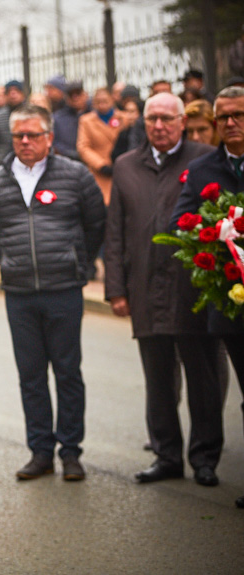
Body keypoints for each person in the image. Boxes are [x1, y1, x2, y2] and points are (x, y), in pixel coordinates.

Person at [0, 104, 106, 481]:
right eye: (19, 136)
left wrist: (76, 262)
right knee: (30, 375)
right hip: (19, 293)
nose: (26, 142)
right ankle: (40, 452)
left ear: (50, 137)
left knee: (67, 373)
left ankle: (72, 452)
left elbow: (95, 224)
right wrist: (12, 262)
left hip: (64, 289)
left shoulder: (76, 176)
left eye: (34, 135)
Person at [104, 92, 224, 487]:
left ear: (182, 122)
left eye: (167, 119)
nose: (158, 126)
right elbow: (116, 231)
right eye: (152, 118)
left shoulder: (206, 158)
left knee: (203, 378)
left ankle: (205, 457)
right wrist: (116, 289)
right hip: (144, 286)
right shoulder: (125, 165)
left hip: (194, 286)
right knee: (157, 379)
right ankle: (166, 455)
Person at [169, 85, 244, 508]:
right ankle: (211, 459)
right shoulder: (203, 168)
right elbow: (181, 220)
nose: (230, 123)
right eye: (223, 117)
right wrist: (216, 231)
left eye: (238, 115)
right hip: (229, 295)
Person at [77, 87, 123, 204]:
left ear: (112, 100)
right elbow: (83, 147)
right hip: (99, 171)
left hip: (121, 167)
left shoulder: (124, 118)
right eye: (98, 102)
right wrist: (101, 165)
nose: (102, 105)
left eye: (105, 101)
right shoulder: (86, 120)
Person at [0, 80, 26, 169]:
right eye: (9, 92)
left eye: (16, 91)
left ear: (23, 94)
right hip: (3, 164)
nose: (13, 95)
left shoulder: (30, 115)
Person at [52, 81, 90, 161]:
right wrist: (72, 154)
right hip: (68, 161)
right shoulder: (58, 118)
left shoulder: (95, 114)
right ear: (66, 98)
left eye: (78, 93)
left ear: (85, 94)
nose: (75, 98)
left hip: (94, 162)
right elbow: (55, 141)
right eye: (71, 95)